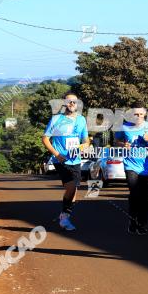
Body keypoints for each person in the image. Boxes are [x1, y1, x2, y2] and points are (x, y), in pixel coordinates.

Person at [42, 91, 90, 231]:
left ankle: (65, 215)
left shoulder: (81, 119)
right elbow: (45, 138)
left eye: (74, 101)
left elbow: (86, 140)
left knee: (74, 188)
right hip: (60, 159)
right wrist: (57, 155)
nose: (72, 103)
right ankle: (64, 216)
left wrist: (83, 146)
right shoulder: (57, 119)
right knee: (71, 186)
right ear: (64, 104)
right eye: (69, 101)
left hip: (75, 158)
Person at [114, 104, 148, 235]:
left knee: (146, 198)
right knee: (135, 194)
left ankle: (141, 224)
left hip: (147, 168)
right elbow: (116, 141)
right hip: (131, 166)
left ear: (145, 114)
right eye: (136, 114)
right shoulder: (124, 127)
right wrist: (123, 144)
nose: (138, 117)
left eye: (141, 114)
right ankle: (132, 221)